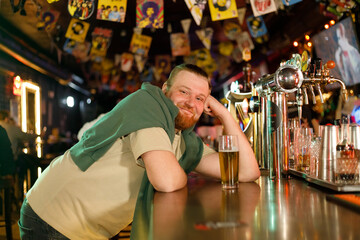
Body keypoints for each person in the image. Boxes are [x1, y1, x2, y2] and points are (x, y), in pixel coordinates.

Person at [18, 64, 260, 240]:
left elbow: (248, 171)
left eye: (200, 98)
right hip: (52, 218)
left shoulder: (183, 139)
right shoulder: (148, 105)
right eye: (184, 92)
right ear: (165, 89)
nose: (191, 102)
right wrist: (184, 171)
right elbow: (166, 181)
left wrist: (224, 114)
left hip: (89, 227)